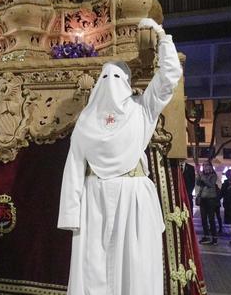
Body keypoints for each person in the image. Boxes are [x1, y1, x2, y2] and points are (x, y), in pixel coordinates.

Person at [58, 17, 181, 295]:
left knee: (130, 269)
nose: (111, 84)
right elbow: (74, 168)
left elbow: (169, 78)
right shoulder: (94, 119)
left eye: (116, 77)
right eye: (107, 78)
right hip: (98, 201)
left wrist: (163, 39)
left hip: (125, 199)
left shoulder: (140, 110)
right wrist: (71, 214)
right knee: (95, 269)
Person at [196, 162, 219, 245]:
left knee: (211, 219)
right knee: (203, 219)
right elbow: (198, 183)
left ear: (210, 166)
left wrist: (202, 177)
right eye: (204, 166)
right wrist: (198, 174)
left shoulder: (213, 175)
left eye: (207, 165)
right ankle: (206, 236)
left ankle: (214, 238)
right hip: (203, 200)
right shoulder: (203, 175)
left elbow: (210, 184)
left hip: (210, 200)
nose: (205, 167)